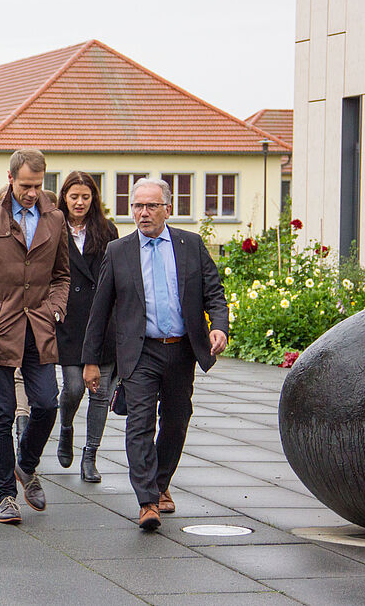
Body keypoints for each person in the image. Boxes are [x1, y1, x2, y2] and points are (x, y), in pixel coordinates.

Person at [82, 177, 228, 531]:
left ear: (168, 208)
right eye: (137, 206)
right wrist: (90, 360)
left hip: (181, 350)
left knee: (177, 421)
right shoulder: (119, 251)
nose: (143, 213)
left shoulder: (190, 245)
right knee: (140, 424)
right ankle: (148, 500)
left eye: (150, 206)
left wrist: (219, 326)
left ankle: (161, 482)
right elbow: (100, 310)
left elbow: (214, 292)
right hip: (139, 351)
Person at [0, 149, 70, 525]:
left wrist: (54, 309)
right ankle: (5, 494)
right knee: (2, 413)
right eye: (25, 185)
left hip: (39, 327)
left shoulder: (55, 219)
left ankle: (27, 465)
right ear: (10, 178)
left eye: (38, 186)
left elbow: (62, 276)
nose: (32, 193)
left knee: (48, 404)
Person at [54, 172, 119, 481]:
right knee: (74, 387)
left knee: (100, 392)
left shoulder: (107, 230)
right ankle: (66, 426)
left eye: (85, 197)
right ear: (64, 197)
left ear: (94, 199)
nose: (79, 202)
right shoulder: (52, 227)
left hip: (102, 319)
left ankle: (90, 456)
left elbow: (117, 274)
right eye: (74, 196)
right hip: (68, 320)